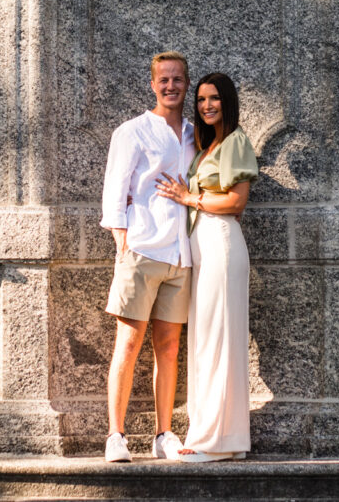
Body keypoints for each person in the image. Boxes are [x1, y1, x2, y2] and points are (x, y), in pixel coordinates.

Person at [99, 51, 196, 463]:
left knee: (170, 346)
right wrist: (124, 243)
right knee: (129, 341)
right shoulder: (133, 131)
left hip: (181, 254)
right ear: (153, 84)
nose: (170, 86)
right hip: (141, 249)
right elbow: (114, 190)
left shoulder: (196, 134)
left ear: (186, 84)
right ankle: (116, 435)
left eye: (177, 79)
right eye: (164, 80)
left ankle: (163, 435)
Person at [156, 72, 258, 462]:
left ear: (227, 101)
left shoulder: (234, 141)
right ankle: (223, 439)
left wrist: (189, 198)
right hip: (205, 248)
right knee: (208, 340)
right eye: (200, 100)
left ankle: (213, 442)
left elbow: (235, 202)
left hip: (221, 243)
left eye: (213, 98)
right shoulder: (207, 146)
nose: (205, 105)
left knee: (219, 339)